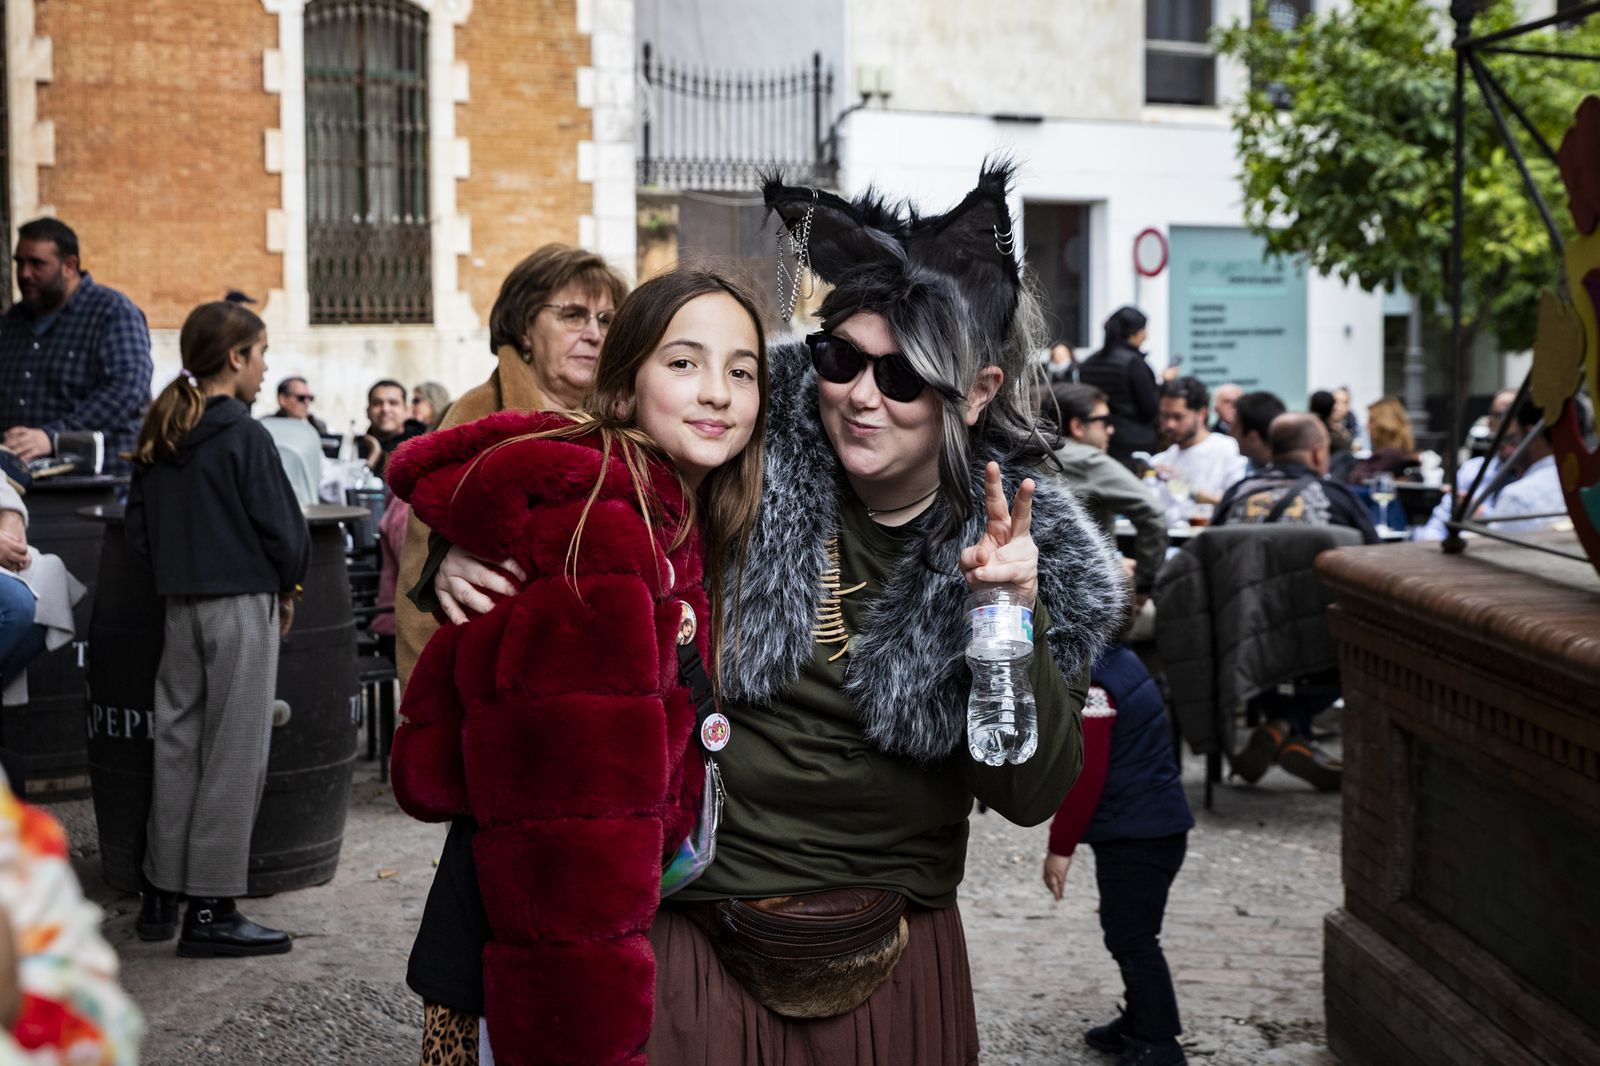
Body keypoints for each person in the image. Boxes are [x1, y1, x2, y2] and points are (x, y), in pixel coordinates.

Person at [408, 162, 1125, 1065]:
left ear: (977, 391)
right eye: (841, 359)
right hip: (690, 927)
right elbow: (578, 465)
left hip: (891, 952)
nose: (861, 395)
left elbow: (1027, 795)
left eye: (904, 376)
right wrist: (470, 544)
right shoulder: (750, 449)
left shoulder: (1024, 543)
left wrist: (1005, 618)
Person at [391, 268, 769, 1062]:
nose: (717, 391)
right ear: (623, 388)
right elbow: (576, 851)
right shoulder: (604, 535)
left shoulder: (670, 511)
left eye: (742, 371)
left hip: (511, 939)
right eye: (683, 363)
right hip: (536, 978)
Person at [124, 300, 311, 958]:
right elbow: (284, 531)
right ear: (235, 358)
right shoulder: (243, 435)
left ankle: (162, 893)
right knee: (234, 752)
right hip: (240, 603)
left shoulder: (164, 431)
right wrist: (288, 586)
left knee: (177, 746)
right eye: (261, 356)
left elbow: (138, 533)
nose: (264, 370)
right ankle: (211, 908)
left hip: (180, 606)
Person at [392, 244, 629, 683]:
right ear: (524, 328)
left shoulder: (629, 421)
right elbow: (420, 588)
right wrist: (421, 707)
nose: (594, 334)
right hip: (501, 686)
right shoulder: (477, 416)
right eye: (573, 315)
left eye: (606, 319)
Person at [1042, 643, 1193, 1066]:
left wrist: (1059, 848)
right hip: (1152, 826)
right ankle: (1141, 1020)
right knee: (1127, 931)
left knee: (1133, 938)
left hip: (1138, 834)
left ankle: (1159, 1044)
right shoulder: (1122, 659)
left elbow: (1084, 775)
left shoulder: (1098, 685)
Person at [0, 218, 153, 474]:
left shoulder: (112, 313)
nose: (24, 274)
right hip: (20, 482)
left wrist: (55, 436)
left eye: (37, 263)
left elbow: (126, 391)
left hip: (94, 483)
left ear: (69, 266)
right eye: (19, 263)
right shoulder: (13, 321)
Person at [1043, 382, 1166, 612]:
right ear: (1078, 426)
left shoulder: (1033, 454)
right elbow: (1154, 513)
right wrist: (1142, 583)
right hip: (1091, 597)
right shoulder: (1089, 460)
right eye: (1104, 421)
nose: (1111, 430)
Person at [1214, 413, 1378, 544]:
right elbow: (1372, 554)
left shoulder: (1236, 494)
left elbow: (1211, 550)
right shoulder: (1339, 499)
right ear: (1317, 453)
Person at [1419, 387, 1518, 541]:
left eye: (1516, 415)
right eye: (1501, 415)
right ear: (1490, 422)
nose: (1511, 422)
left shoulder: (1539, 475)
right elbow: (1437, 525)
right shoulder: (1471, 469)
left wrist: (1481, 514)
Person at [1151, 376, 1245, 524]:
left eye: (1178, 417)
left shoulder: (1226, 448)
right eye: (1164, 416)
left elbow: (1236, 502)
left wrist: (1187, 488)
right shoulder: (1159, 461)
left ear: (1202, 414)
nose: (1169, 425)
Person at [1078, 306, 1160, 468]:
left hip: (1097, 439)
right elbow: (1150, 410)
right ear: (1134, 332)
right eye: (1143, 330)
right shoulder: (1134, 363)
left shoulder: (1089, 363)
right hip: (1135, 445)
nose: (1146, 336)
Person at [1479, 400, 1574, 534]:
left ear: (1532, 436)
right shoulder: (1586, 481)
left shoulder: (1517, 497)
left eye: (1514, 439)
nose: (1509, 450)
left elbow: (1493, 544)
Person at [1346, 396, 1418, 484]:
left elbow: (1362, 481)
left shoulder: (1390, 456)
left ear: (1385, 424)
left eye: (1372, 420)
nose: (1367, 425)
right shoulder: (1388, 454)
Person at [1229, 390, 1287, 478]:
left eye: (1235, 428)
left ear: (1253, 437)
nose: (1230, 434)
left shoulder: (1287, 477)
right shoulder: (1241, 467)